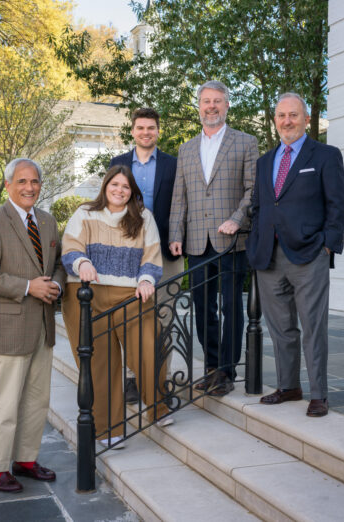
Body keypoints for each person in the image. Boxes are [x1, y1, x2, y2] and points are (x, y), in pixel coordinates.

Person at [247, 92, 344, 417]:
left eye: (294, 115)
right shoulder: (265, 161)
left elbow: (338, 204)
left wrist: (328, 244)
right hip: (269, 257)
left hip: (309, 255)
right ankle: (289, 386)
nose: (287, 121)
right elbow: (260, 206)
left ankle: (319, 393)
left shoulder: (325, 155)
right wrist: (255, 243)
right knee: (280, 329)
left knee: (313, 326)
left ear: (306, 119)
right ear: (274, 120)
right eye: (281, 116)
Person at [0, 158, 66, 492]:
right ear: (8, 184)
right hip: (8, 328)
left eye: (35, 182)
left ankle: (25, 459)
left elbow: (58, 266)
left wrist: (56, 284)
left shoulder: (48, 221)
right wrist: (29, 287)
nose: (29, 188)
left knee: (37, 400)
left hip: (42, 327)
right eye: (22, 181)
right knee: (6, 403)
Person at [61, 165, 171, 448]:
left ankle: (157, 406)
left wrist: (147, 279)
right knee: (100, 363)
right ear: (105, 187)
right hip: (86, 295)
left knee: (150, 345)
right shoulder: (85, 212)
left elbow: (152, 254)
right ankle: (108, 430)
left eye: (125, 186)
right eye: (115, 185)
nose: (119, 190)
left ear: (131, 191)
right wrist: (82, 262)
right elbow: (70, 246)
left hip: (131, 295)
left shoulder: (144, 217)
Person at [169, 80, 258, 396]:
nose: (211, 106)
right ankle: (210, 366)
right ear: (199, 106)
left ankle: (227, 372)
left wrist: (237, 219)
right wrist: (176, 233)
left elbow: (253, 189)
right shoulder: (186, 148)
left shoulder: (245, 142)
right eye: (206, 101)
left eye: (217, 101)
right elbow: (180, 196)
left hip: (231, 241)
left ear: (227, 105)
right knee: (202, 306)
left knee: (232, 306)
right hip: (196, 240)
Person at [110, 107, 181, 404]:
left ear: (158, 131)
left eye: (151, 128)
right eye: (140, 128)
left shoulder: (173, 165)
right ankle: (131, 379)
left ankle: (160, 381)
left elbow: (181, 204)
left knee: (164, 317)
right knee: (130, 318)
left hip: (166, 251)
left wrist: (178, 236)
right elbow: (109, 205)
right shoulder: (118, 164)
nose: (145, 133)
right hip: (128, 253)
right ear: (133, 131)